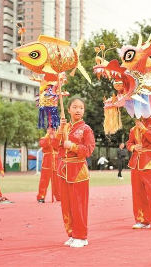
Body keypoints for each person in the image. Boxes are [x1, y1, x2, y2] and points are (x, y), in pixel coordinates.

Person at [53, 97, 95, 248]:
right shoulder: (65, 127)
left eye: (81, 108)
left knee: (79, 205)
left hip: (78, 171)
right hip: (64, 170)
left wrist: (73, 146)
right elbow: (54, 146)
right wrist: (59, 131)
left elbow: (89, 150)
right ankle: (71, 234)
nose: (78, 110)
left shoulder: (86, 129)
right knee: (67, 205)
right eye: (75, 107)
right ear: (69, 109)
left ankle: (81, 236)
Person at [126, 116, 151, 230]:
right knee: (137, 191)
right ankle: (142, 220)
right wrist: (133, 147)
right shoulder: (134, 128)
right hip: (136, 161)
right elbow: (129, 143)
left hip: (150, 160)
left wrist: (143, 129)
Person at [36, 128, 60, 203]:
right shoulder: (43, 138)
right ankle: (41, 196)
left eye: (54, 130)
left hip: (56, 163)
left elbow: (57, 146)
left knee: (57, 182)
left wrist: (54, 138)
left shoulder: (57, 139)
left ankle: (59, 196)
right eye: (50, 129)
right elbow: (43, 144)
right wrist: (48, 137)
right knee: (44, 181)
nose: (52, 131)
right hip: (47, 163)